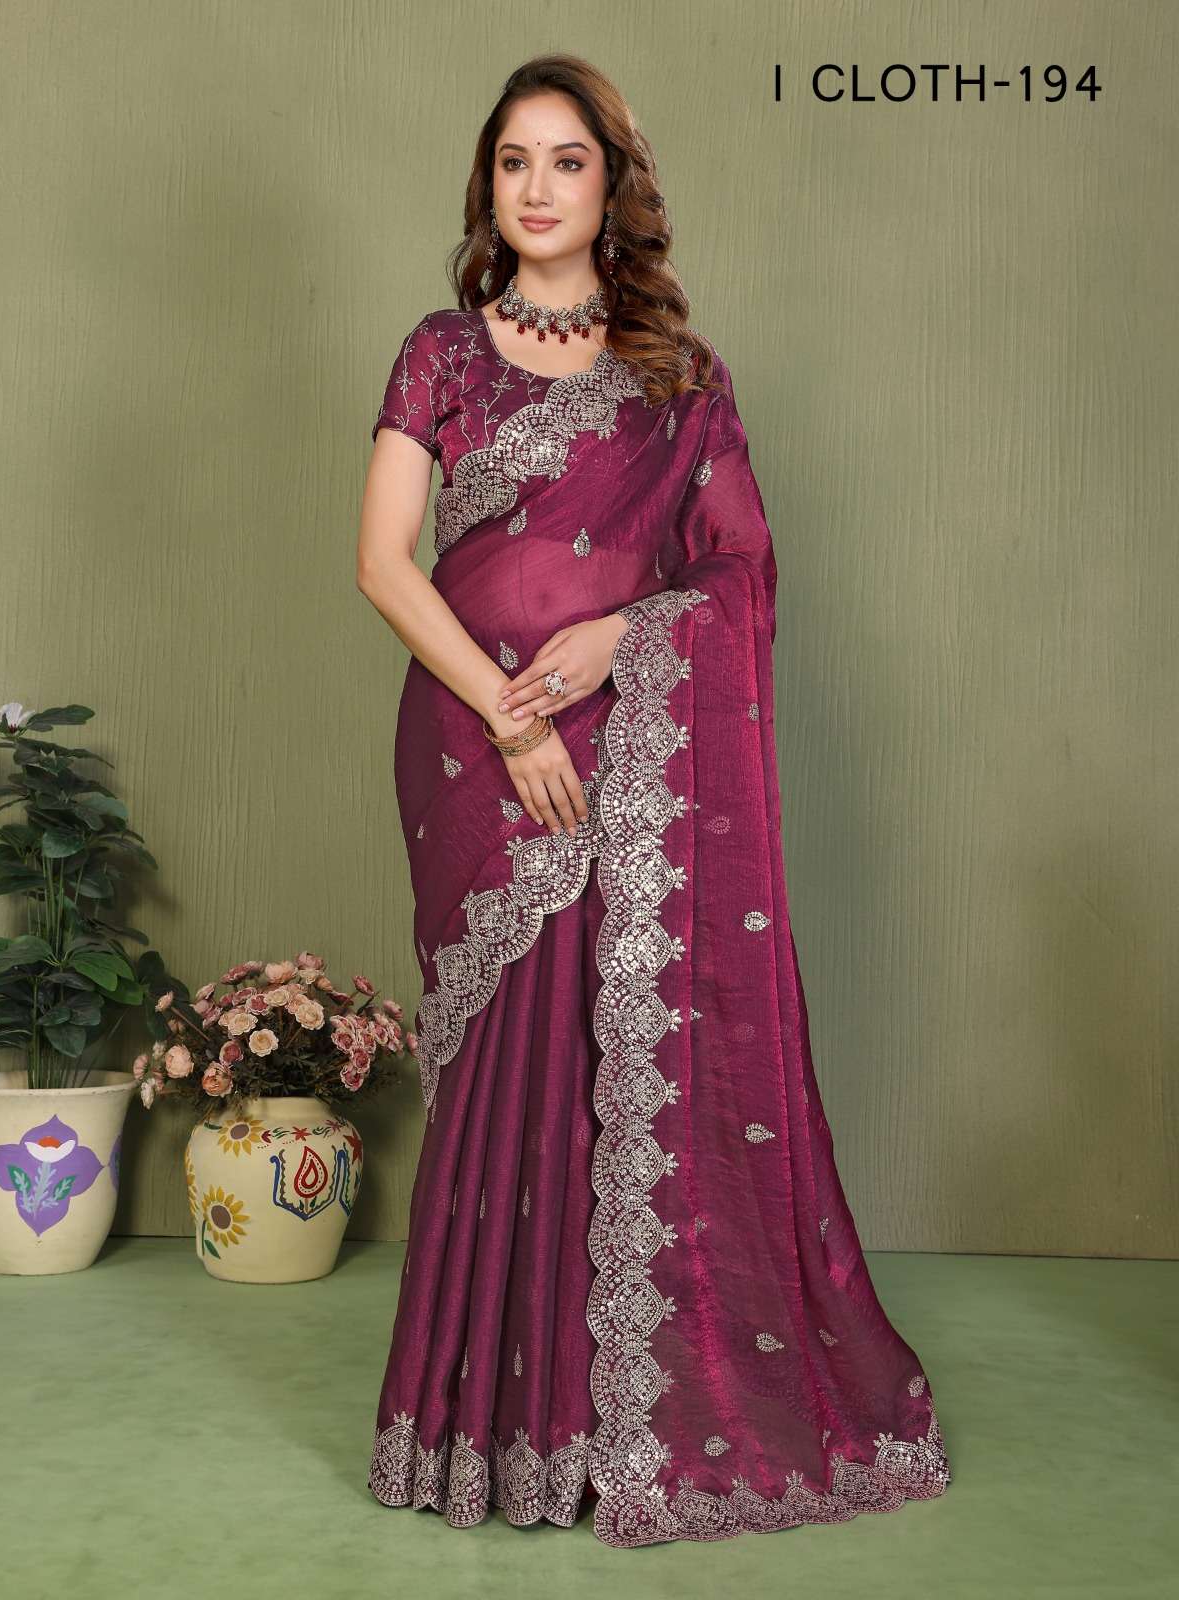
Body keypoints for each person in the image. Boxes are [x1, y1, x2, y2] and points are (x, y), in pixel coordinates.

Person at [355, 54, 952, 1551]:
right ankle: (480, 1431)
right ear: (487, 184)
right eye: (514, 161)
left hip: (627, 748)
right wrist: (508, 713)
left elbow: (739, 572)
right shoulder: (441, 351)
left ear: (611, 187)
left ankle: (593, 1429)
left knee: (596, 1059)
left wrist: (626, 634)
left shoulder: (678, 378)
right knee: (506, 1067)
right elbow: (381, 562)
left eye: (567, 161)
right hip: (473, 748)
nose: (538, 187)